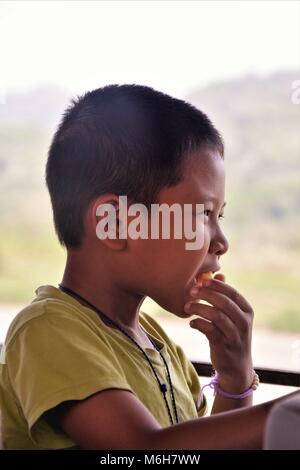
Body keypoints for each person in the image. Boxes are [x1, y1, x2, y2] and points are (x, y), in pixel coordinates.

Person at [0, 84, 298, 450]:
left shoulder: (162, 348)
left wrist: (235, 382)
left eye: (220, 215)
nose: (221, 241)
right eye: (204, 214)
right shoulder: (47, 330)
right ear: (117, 224)